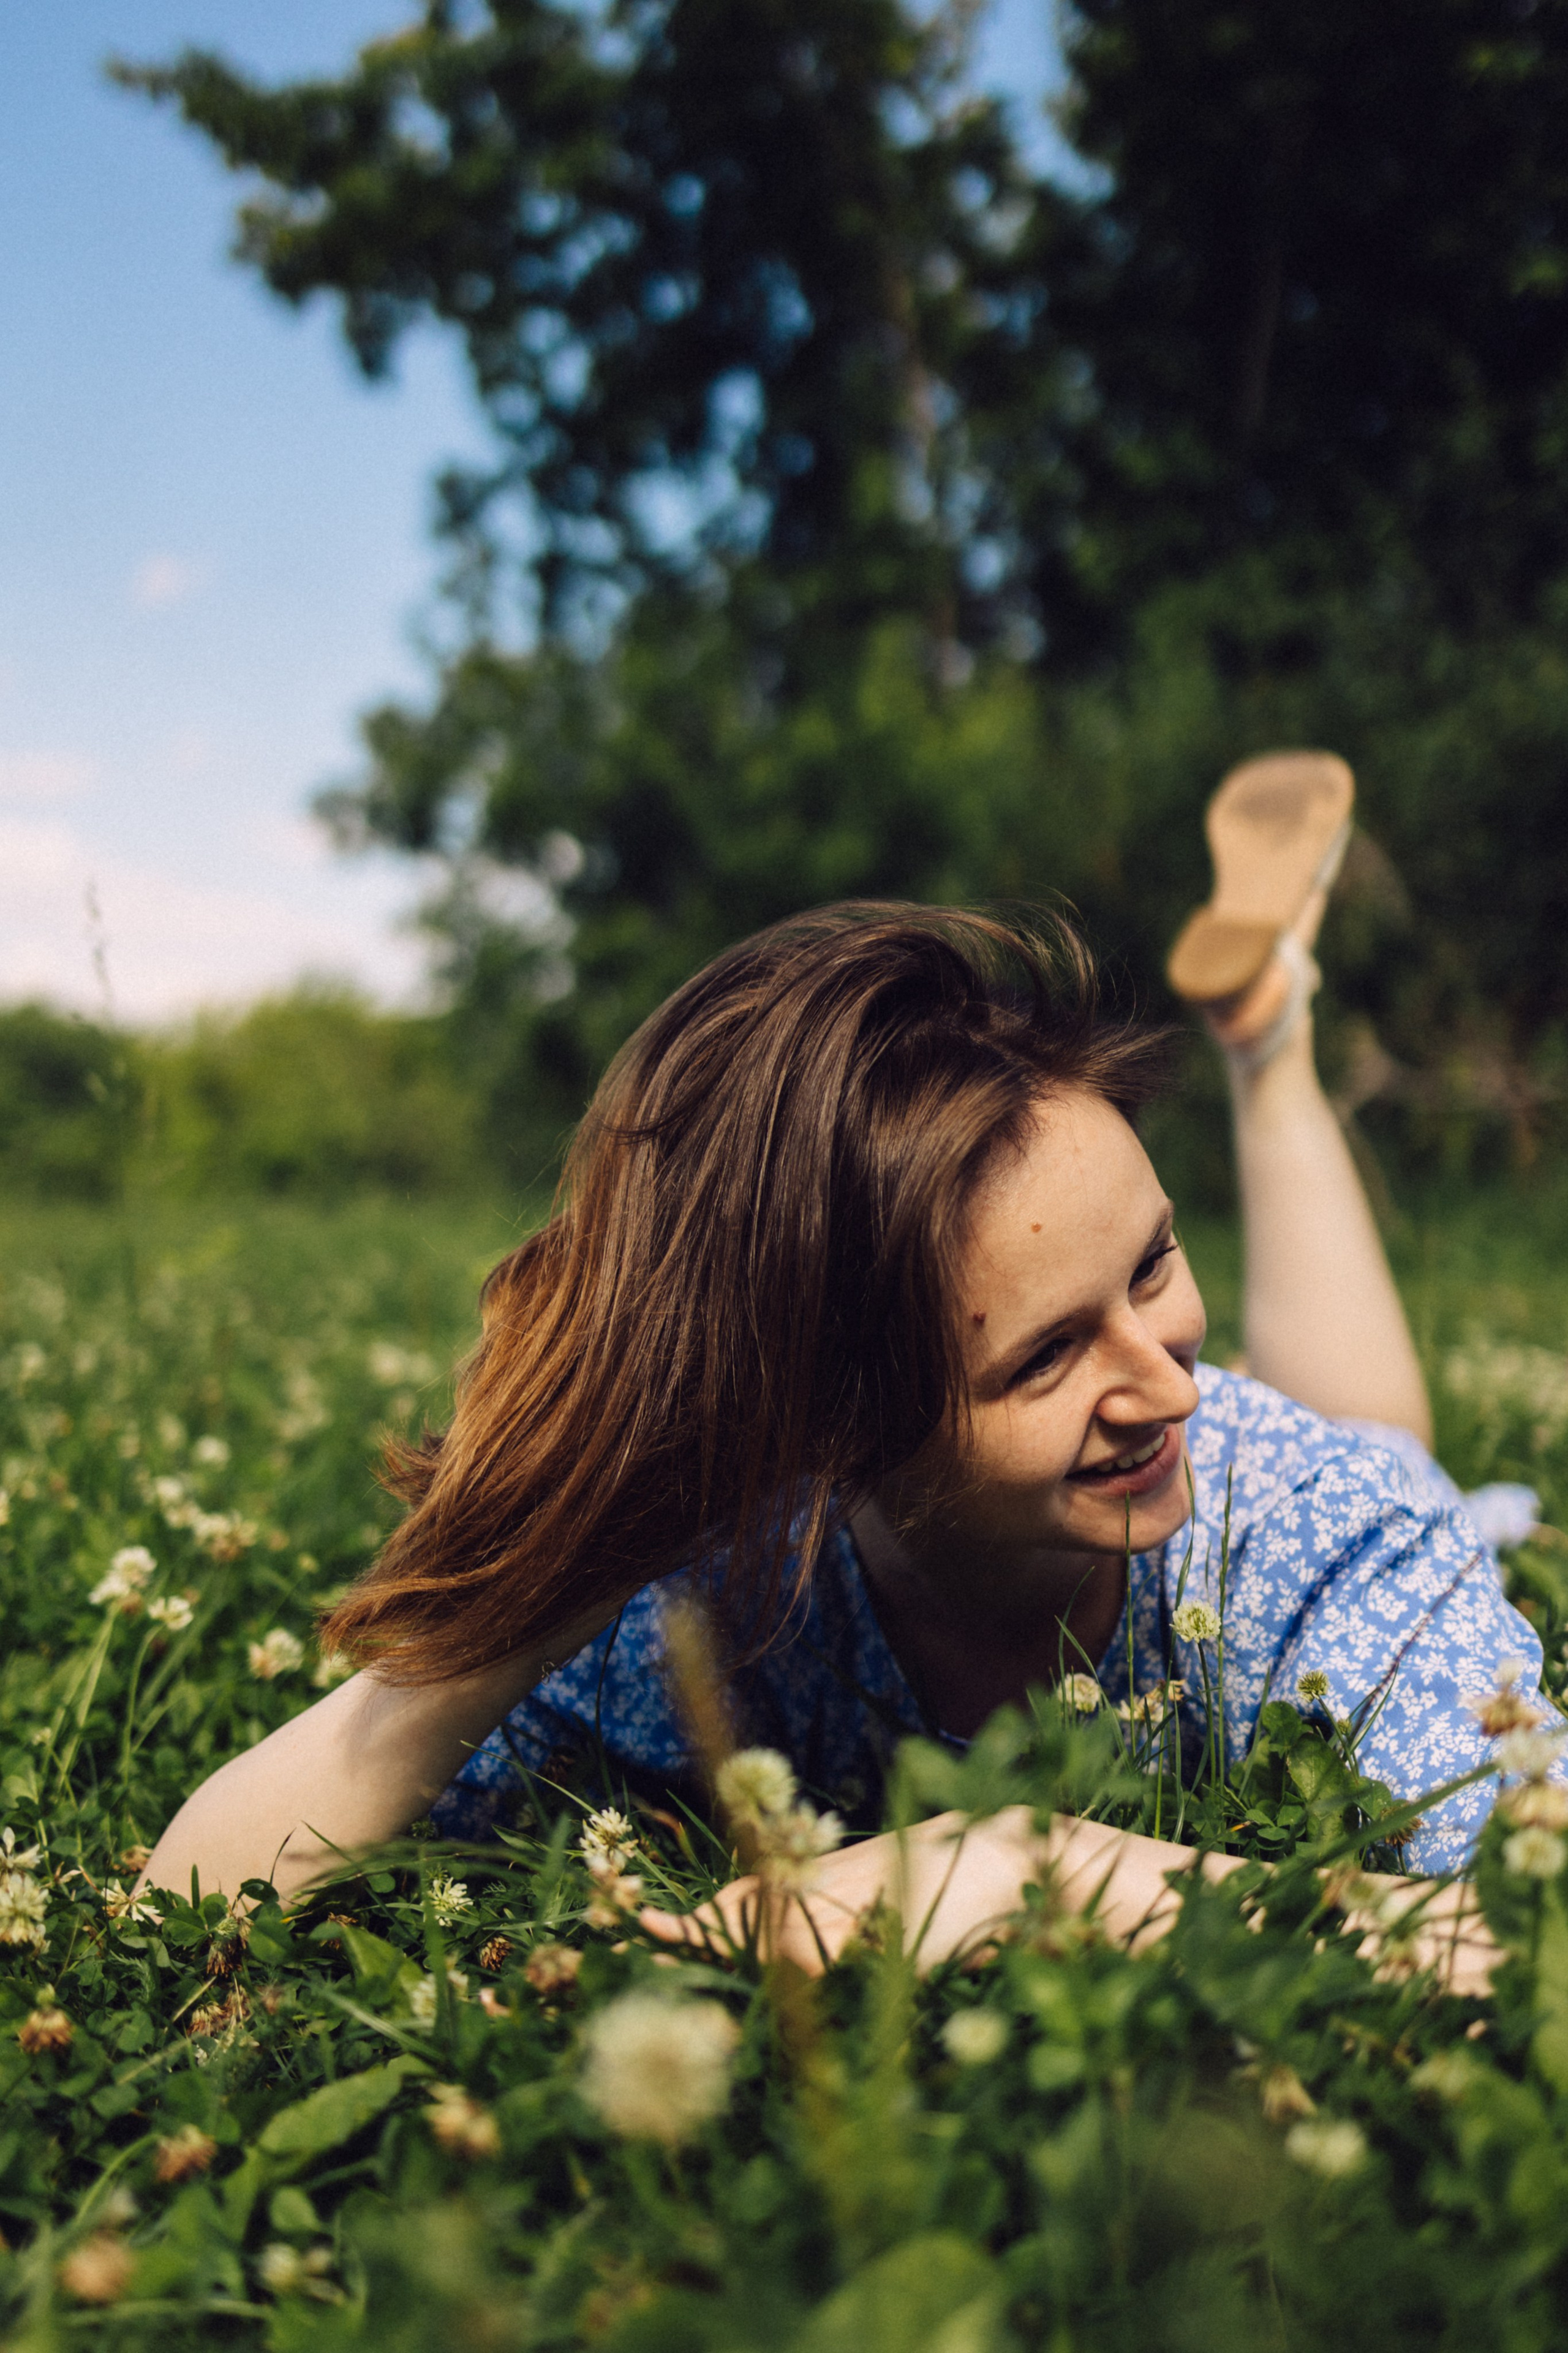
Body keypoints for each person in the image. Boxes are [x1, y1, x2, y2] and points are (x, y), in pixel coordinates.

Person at [137, 755, 1551, 1985]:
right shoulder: (727, 1591)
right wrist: (543, 1579)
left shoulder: (1323, 1533)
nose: (1166, 1382)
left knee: (1373, 1435)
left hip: (1319, 1493)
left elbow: (1529, 1939)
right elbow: (189, 1906)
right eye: (1044, 1354)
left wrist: (1031, 1866)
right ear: (827, 1423)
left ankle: (1265, 1038)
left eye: (1154, 1264)